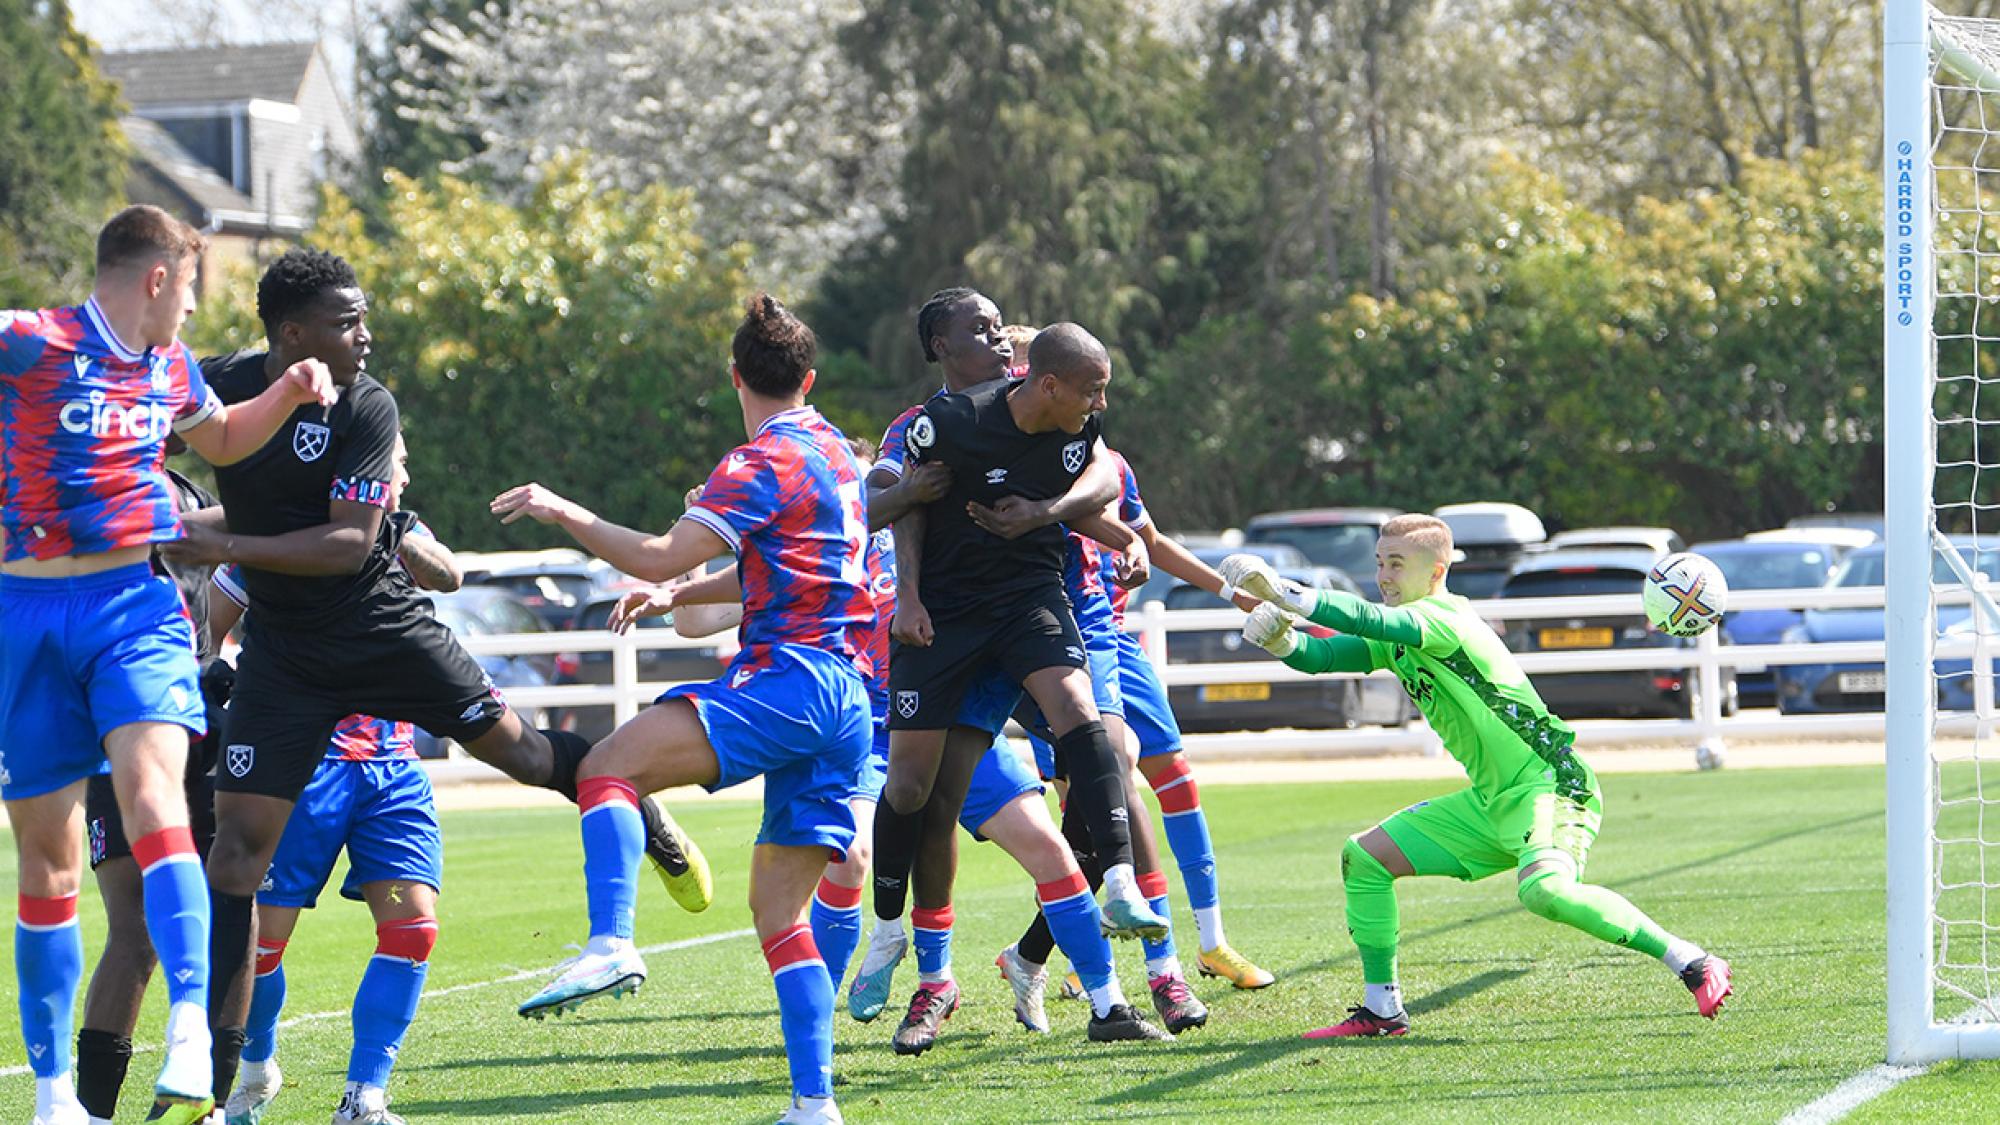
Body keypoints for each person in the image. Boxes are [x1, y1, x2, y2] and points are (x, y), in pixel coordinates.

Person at [161, 248, 708, 1106]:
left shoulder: (368, 404)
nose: (365, 336)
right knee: (234, 860)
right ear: (291, 332)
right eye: (347, 322)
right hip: (287, 660)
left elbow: (347, 545)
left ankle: (626, 792)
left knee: (528, 759)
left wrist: (218, 540)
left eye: (363, 318)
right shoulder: (217, 382)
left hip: (381, 629)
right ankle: (220, 1079)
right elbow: (136, 434)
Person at [495, 294, 871, 1125]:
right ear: (808, 379)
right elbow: (770, 571)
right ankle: (816, 1104)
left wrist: (563, 511)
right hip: (847, 696)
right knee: (780, 912)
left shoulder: (759, 459)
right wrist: (680, 595)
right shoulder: (839, 455)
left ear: (736, 375)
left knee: (605, 768)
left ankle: (612, 940)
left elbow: (655, 548)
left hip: (789, 678)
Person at [1, 205, 337, 1125]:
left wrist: (292, 391)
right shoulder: (32, 342)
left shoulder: (172, 366)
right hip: (25, 614)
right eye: (190, 287)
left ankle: (190, 1025)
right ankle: (54, 1096)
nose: (192, 311)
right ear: (158, 277)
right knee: (48, 863)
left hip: (132, 608)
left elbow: (221, 436)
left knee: (157, 798)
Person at [670, 439, 1168, 1052]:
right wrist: (694, 544)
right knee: (851, 855)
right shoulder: (812, 559)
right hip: (870, 738)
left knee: (1050, 849)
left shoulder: (925, 538)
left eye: (862, 483)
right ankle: (824, 1019)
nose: (856, 496)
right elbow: (692, 621)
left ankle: (1108, 1003)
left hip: (952, 718)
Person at [1222, 514, 1734, 1038]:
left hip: (1550, 785)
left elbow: (1369, 621)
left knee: (1545, 893)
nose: (1384, 576)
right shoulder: (1401, 629)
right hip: (1492, 800)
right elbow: (1324, 656)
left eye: (1397, 564)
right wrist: (1281, 642)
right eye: (1380, 563)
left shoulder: (1445, 618)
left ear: (1436, 570)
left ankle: (1692, 961)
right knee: (1366, 858)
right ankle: (1382, 1010)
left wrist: (1286, 593)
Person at [857, 296, 1164, 1043]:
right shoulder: (933, 425)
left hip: (1029, 603)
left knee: (1091, 728)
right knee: (917, 792)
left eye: (1003, 329)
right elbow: (886, 508)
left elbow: (1099, 473)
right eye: (981, 330)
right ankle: (900, 941)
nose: (999, 339)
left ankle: (1123, 934)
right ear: (940, 345)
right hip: (948, 620)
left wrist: (1103, 529)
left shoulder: (1067, 411)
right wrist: (913, 593)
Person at [210, 433, 452, 1125]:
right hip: (300, 769)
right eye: (395, 460)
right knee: (259, 942)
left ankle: (364, 1096)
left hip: (391, 767)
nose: (404, 469)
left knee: (413, 927)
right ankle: (253, 1066)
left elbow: (448, 574)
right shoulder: (284, 538)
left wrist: (402, 539)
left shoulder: (406, 530)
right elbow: (210, 624)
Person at [72, 456, 230, 1125]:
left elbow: (216, 584)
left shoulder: (190, 482)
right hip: (119, 721)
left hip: (201, 720)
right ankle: (88, 1111)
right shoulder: (89, 476)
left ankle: (211, 1104)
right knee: (132, 927)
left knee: (230, 912)